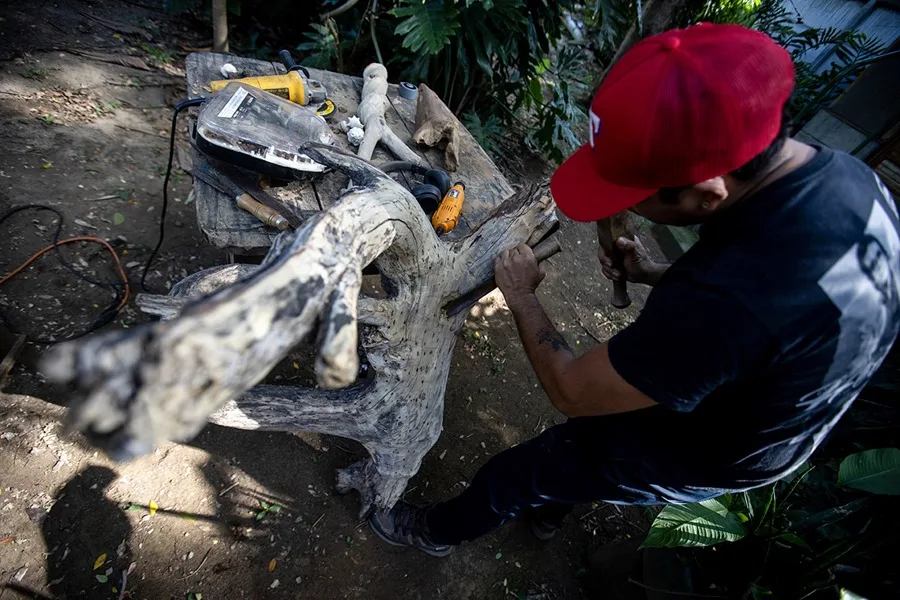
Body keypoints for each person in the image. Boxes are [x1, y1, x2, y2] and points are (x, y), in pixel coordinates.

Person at [369, 23, 900, 557]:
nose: (617, 209)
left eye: (634, 196)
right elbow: (768, 318)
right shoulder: (844, 179)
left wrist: (521, 294)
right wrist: (653, 273)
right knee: (591, 455)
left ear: (709, 194)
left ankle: (436, 532)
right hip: (763, 386)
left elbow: (572, 390)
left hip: (712, 445)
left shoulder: (731, 302)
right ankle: (560, 504)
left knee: (529, 470)